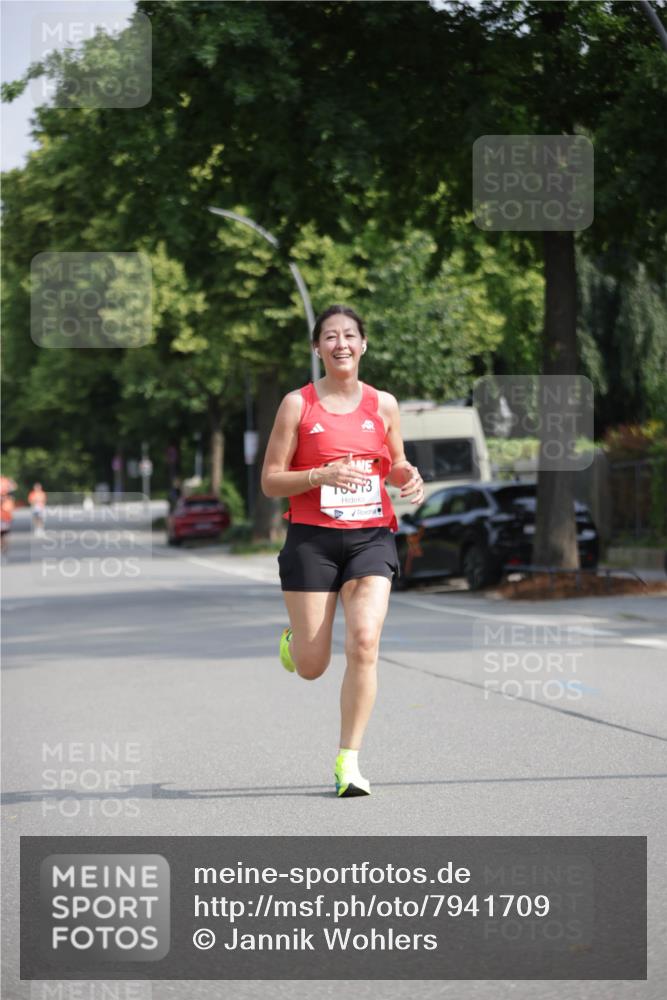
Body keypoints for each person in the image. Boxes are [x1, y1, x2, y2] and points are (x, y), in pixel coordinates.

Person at [261, 305, 424, 797]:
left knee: (365, 641)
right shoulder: (297, 405)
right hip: (313, 538)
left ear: (364, 344)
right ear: (317, 349)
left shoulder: (384, 405)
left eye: (349, 335)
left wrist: (406, 475)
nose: (341, 344)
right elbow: (270, 481)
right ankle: (296, 640)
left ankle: (348, 762)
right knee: (313, 666)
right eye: (329, 337)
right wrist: (319, 475)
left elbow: (394, 464)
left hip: (372, 535)